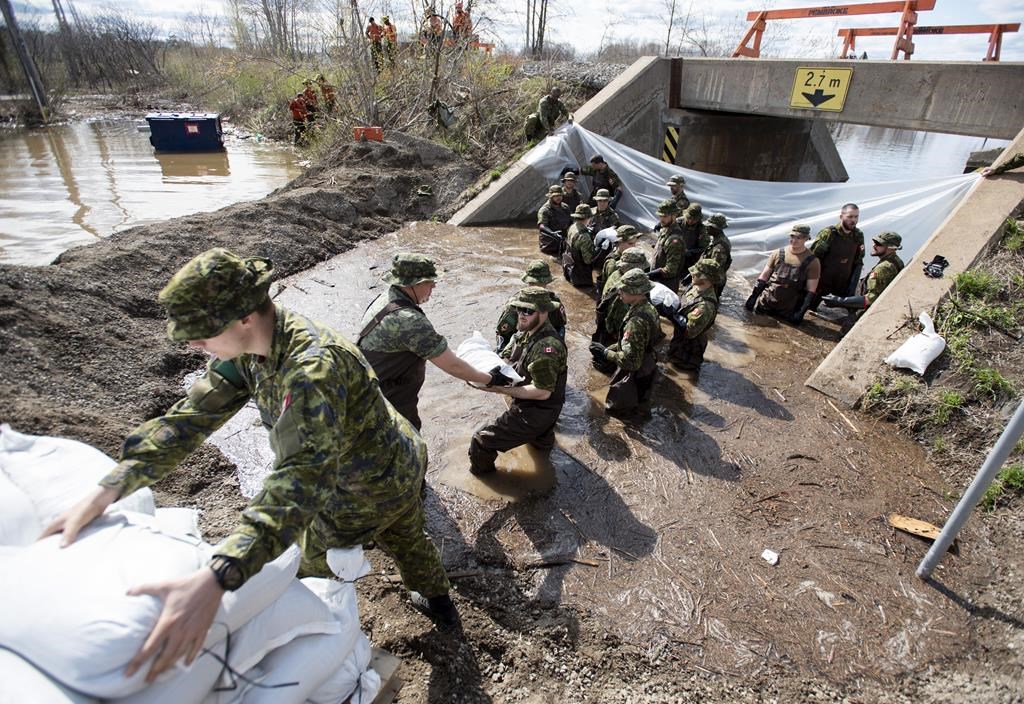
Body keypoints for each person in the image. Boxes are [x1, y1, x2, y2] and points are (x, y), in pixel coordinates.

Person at [40, 249, 461, 685]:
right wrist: (113, 484)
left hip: (364, 483)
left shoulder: (310, 368)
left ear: (243, 317)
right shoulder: (251, 346)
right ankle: (442, 607)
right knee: (408, 535)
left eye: (202, 334)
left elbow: (301, 479)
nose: (193, 345)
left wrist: (220, 574)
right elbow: (193, 416)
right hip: (394, 456)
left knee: (308, 565)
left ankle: (341, 644)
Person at [357, 253, 512, 431]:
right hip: (388, 401)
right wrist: (490, 378)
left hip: (370, 390)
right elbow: (453, 366)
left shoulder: (386, 299)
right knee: (406, 446)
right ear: (413, 284)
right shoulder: (408, 320)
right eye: (429, 282)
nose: (434, 285)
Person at [469, 287, 567, 475]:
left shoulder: (546, 347)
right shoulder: (526, 332)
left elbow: (542, 392)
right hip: (539, 408)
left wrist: (499, 389)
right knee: (541, 444)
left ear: (544, 312)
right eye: (519, 309)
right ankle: (545, 469)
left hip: (537, 410)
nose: (521, 315)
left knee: (481, 441)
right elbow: (509, 356)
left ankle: (486, 482)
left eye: (528, 311)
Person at [589, 269, 661, 416]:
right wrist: (614, 347)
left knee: (620, 411)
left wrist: (606, 353)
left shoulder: (636, 321)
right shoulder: (648, 308)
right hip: (647, 362)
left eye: (623, 290)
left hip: (635, 372)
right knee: (640, 403)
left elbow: (631, 362)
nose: (619, 293)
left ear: (636, 292)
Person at [745, 223, 821, 324]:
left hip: (788, 309)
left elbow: (810, 290)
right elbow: (764, 277)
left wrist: (800, 312)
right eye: (792, 236)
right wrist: (753, 297)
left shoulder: (812, 261)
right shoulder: (778, 253)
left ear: (806, 239)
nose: (794, 240)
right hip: (767, 303)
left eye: (798, 237)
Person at [593, 247, 650, 369]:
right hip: (615, 334)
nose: (644, 269)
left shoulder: (616, 274)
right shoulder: (626, 292)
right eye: (641, 267)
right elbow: (619, 318)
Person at [821, 231, 905, 313]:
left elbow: (872, 298)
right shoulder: (896, 261)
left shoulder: (883, 268)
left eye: (878, 244)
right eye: (874, 242)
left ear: (891, 248)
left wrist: (839, 301)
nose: (874, 245)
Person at [495, 260, 567, 352]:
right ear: (547, 281)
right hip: (535, 349)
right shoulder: (554, 302)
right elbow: (561, 328)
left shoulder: (515, 303)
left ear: (527, 280)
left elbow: (503, 335)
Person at [667, 259, 721, 373]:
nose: (691, 274)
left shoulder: (705, 306)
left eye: (695, 274)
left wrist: (672, 315)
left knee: (680, 370)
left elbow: (690, 332)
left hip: (688, 349)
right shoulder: (696, 287)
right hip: (679, 339)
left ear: (705, 279)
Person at [808, 203, 865, 311]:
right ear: (841, 216)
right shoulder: (829, 233)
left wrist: (851, 288)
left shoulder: (858, 235)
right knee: (808, 309)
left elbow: (858, 261)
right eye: (850, 217)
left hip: (841, 284)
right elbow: (814, 259)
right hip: (821, 282)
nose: (853, 220)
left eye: (856, 217)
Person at [648, 199, 687, 293]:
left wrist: (651, 274)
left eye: (665, 216)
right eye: (660, 216)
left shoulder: (674, 240)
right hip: (657, 283)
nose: (661, 219)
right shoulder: (665, 230)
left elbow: (671, 270)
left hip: (665, 287)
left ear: (674, 215)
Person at [596, 224, 641, 293]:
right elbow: (612, 289)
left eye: (635, 243)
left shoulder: (631, 257)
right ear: (619, 242)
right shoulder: (613, 263)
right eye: (630, 243)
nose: (634, 247)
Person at [562, 203, 597, 287]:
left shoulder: (572, 226)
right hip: (580, 276)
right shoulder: (585, 237)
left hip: (570, 268)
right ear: (588, 218)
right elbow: (588, 260)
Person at [700, 212, 732, 298]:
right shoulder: (716, 239)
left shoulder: (720, 247)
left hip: (713, 283)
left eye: (710, 227)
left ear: (716, 228)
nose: (707, 228)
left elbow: (714, 269)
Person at [537, 184, 572, 256]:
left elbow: (571, 222)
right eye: (556, 196)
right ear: (551, 197)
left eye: (560, 195)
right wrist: (552, 234)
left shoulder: (565, 207)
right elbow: (542, 226)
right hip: (549, 244)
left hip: (563, 240)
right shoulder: (545, 210)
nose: (558, 198)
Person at [679, 203, 709, 271]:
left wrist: (691, 252)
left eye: (694, 219)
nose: (690, 221)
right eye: (689, 218)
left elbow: (704, 248)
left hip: (690, 260)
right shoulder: (678, 222)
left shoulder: (702, 229)